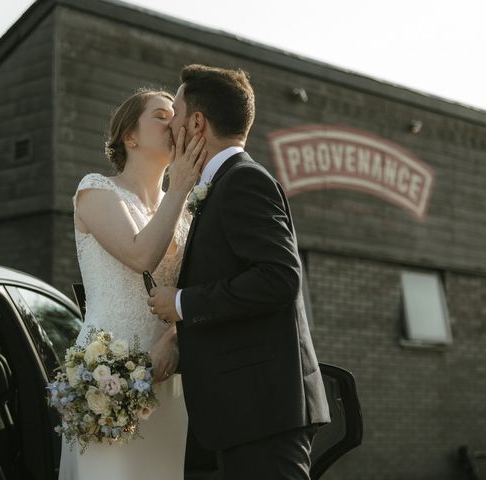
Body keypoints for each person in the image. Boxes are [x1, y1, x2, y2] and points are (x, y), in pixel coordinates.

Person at [148, 65, 331, 480]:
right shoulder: (224, 183)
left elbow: (279, 277)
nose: (172, 124)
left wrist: (181, 302)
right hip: (246, 414)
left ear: (198, 122)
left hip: (264, 413)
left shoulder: (243, 180)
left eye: (175, 113)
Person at [59, 89, 206, 480]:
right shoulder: (96, 190)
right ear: (130, 136)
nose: (173, 122)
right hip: (105, 372)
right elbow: (142, 256)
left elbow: (193, 292)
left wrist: (173, 338)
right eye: (161, 115)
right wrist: (180, 187)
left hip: (165, 374)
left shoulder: (187, 210)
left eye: (176, 115)